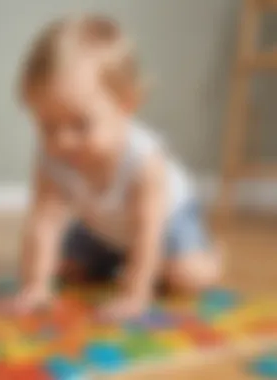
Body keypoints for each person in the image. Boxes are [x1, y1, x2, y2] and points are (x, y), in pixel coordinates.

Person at [13, 14, 221, 321]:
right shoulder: (51, 158)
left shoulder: (144, 160)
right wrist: (36, 286)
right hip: (101, 226)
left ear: (127, 104)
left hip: (166, 221)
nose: (63, 141)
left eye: (80, 125)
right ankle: (122, 261)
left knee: (187, 278)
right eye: (47, 127)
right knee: (64, 270)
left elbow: (148, 230)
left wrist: (135, 293)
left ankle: (212, 256)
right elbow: (43, 222)